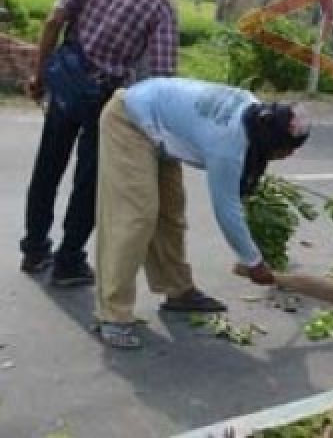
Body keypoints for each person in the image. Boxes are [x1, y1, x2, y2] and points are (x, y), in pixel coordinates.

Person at [93, 77, 310, 349]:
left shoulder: (256, 113)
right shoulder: (228, 144)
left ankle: (178, 290)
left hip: (161, 129)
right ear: (270, 140)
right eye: (287, 149)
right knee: (136, 218)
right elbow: (226, 209)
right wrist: (253, 261)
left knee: (171, 215)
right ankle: (112, 314)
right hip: (131, 120)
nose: (289, 156)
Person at [20, 0, 189, 285]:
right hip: (103, 98)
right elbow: (160, 77)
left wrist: (39, 73)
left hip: (65, 79)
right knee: (89, 182)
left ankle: (34, 250)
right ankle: (68, 262)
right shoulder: (161, 6)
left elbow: (54, 20)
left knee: (47, 166)